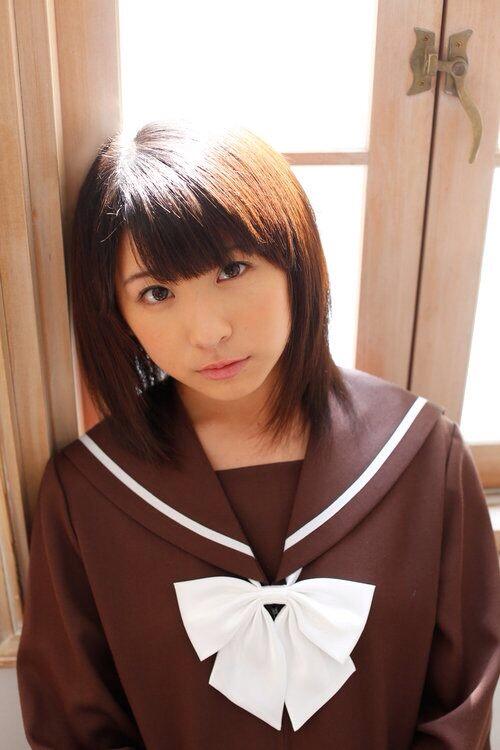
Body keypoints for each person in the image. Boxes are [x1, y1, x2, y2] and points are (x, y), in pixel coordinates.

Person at [16, 120, 500, 749]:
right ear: (117, 311)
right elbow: (74, 728)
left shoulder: (423, 454)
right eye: (157, 292)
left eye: (232, 268)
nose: (208, 331)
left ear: (295, 260)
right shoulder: (88, 492)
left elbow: (460, 703)